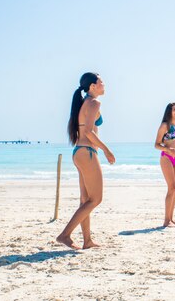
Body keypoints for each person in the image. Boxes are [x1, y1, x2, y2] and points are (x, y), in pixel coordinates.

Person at [57, 72, 116, 250]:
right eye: (101, 82)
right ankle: (65, 235)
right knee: (95, 199)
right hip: (87, 152)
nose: (104, 84)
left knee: (85, 201)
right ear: (92, 86)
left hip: (80, 152)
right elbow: (89, 132)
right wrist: (107, 150)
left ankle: (87, 241)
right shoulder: (93, 102)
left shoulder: (85, 102)